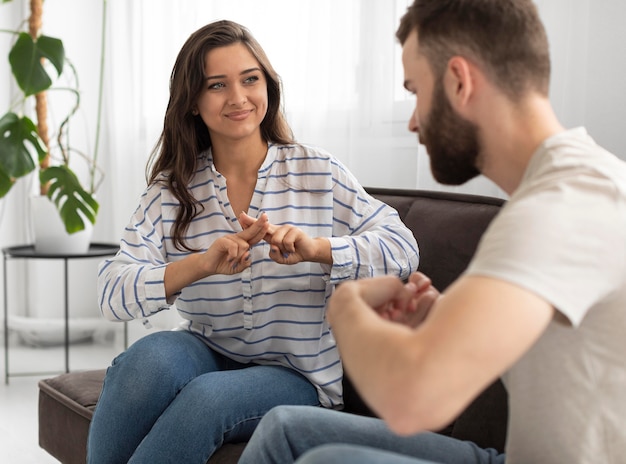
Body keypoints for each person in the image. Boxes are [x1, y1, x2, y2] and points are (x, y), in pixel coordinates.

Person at [238, 1, 626, 463]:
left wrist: (345, 305)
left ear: (459, 81)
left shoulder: (563, 203)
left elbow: (411, 401)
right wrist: (444, 322)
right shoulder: (565, 190)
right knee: (286, 429)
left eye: (415, 90)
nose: (413, 120)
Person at [87, 19, 419, 464]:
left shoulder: (318, 172)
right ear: (192, 103)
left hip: (296, 375)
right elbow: (111, 292)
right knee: (144, 363)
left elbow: (402, 247)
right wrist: (202, 264)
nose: (238, 98)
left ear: (268, 86)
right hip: (206, 348)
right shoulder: (173, 190)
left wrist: (318, 250)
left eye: (250, 79)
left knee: (207, 399)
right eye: (217, 85)